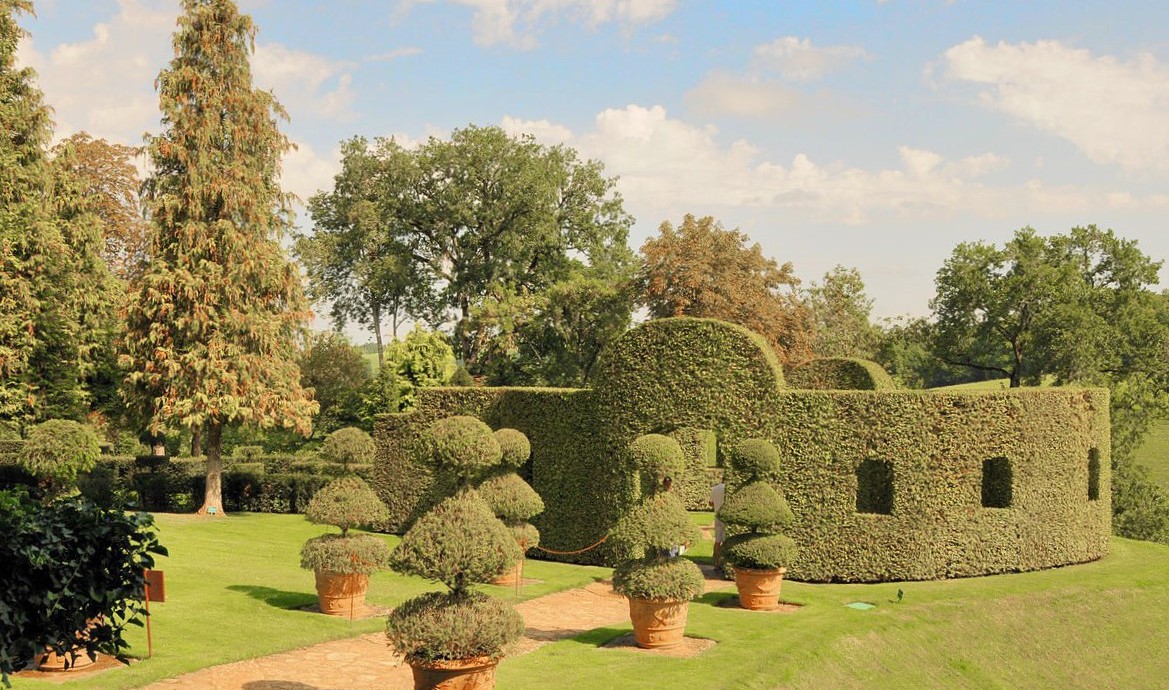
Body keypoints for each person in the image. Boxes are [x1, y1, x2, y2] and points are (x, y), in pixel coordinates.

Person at [711, 481, 726, 574]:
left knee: (717, 540)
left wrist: (717, 505)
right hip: (726, 516)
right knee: (725, 541)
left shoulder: (715, 488)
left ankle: (716, 563)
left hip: (717, 516)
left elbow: (710, 503)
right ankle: (724, 563)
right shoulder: (728, 489)